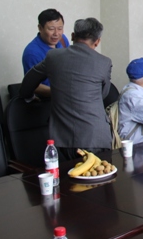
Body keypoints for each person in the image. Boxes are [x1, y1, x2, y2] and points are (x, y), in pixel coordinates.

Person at [19, 17, 113, 160]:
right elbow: (102, 94)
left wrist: (29, 97)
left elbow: (28, 82)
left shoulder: (53, 57)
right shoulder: (104, 62)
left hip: (64, 138)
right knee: (100, 172)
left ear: (73, 36)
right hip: (95, 136)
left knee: (70, 174)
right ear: (97, 41)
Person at [22, 9, 70, 98]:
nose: (56, 33)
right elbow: (33, 85)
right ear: (40, 28)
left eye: (60, 28)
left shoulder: (63, 40)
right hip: (48, 99)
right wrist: (60, 94)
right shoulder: (32, 53)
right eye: (51, 29)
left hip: (65, 94)